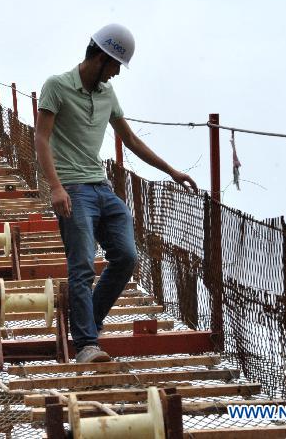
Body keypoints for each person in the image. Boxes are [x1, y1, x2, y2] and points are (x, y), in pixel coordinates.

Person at [33, 25, 197, 364]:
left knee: (126, 256)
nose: (118, 72)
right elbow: (41, 138)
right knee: (81, 267)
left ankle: (87, 322)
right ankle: (86, 345)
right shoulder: (57, 86)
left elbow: (131, 140)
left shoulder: (107, 94)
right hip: (74, 189)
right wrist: (56, 187)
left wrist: (171, 171)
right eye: (116, 64)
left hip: (101, 186)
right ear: (101, 57)